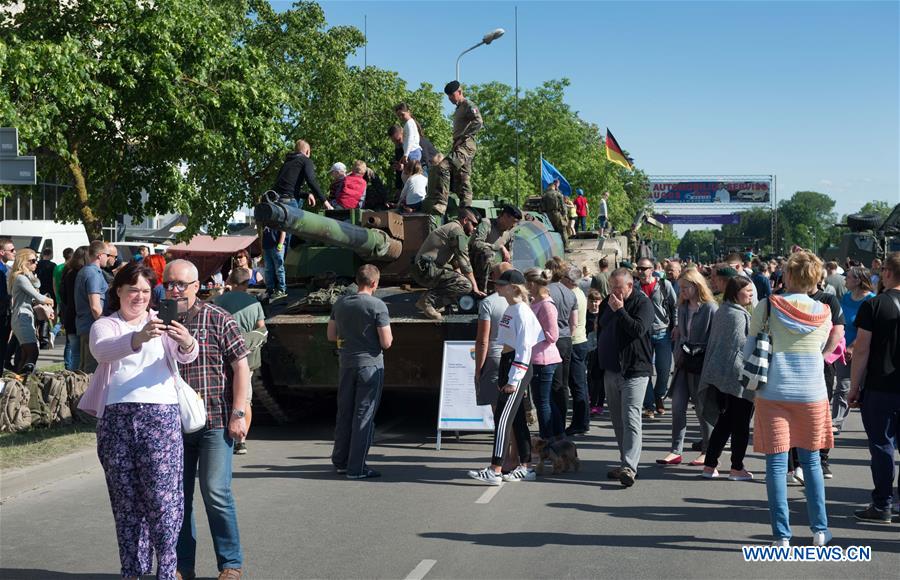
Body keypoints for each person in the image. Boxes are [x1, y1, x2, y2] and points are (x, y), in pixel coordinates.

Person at [89, 262, 198, 580]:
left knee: (164, 501)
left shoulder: (161, 322)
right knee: (126, 503)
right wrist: (138, 337)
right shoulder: (107, 325)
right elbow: (102, 351)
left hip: (160, 417)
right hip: (116, 420)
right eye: (133, 289)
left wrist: (186, 341)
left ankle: (167, 570)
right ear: (118, 291)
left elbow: (186, 356)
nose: (139, 296)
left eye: (146, 291)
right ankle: (133, 571)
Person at [166, 260, 250, 580]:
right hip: (172, 426)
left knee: (215, 492)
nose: (175, 290)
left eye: (181, 285)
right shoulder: (160, 323)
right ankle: (182, 566)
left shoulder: (218, 318)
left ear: (195, 286)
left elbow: (241, 367)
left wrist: (238, 413)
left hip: (215, 420)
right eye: (169, 284)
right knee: (179, 498)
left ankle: (230, 563)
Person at [750, 250, 834, 546]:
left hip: (773, 390)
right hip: (811, 391)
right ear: (814, 281)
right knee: (811, 462)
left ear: (786, 275)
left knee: (775, 465)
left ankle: (781, 536)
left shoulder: (767, 306)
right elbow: (822, 345)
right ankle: (820, 530)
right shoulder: (824, 312)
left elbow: (750, 347)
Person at [467, 269, 541, 484]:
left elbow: (525, 349)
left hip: (515, 368)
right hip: (507, 364)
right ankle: (525, 466)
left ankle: (495, 469)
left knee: (502, 419)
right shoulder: (512, 308)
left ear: (514, 287)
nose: (496, 287)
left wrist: (513, 378)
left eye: (501, 284)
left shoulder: (522, 312)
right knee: (516, 419)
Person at [327, 265, 393, 480]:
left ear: (357, 281)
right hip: (370, 365)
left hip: (346, 363)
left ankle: (341, 461)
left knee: (344, 412)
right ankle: (357, 467)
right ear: (375, 283)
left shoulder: (340, 303)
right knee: (364, 415)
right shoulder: (377, 306)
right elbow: (387, 342)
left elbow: (330, 335)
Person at [849, 252, 900, 524]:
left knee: (882, 446)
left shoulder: (875, 306)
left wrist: (854, 387)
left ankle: (883, 504)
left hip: (881, 386)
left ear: (888, 273)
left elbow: (861, 351)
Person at [596, 268, 654, 487]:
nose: (614, 291)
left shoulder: (642, 303)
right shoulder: (606, 302)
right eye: (611, 287)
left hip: (635, 371)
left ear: (630, 286)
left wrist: (620, 310)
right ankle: (624, 463)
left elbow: (638, 330)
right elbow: (601, 328)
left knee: (631, 417)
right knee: (618, 420)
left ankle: (630, 467)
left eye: (618, 287)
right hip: (611, 370)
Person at [658, 268, 718, 467]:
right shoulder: (682, 308)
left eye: (685, 287)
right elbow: (682, 335)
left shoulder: (710, 308)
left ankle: (708, 451)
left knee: (702, 409)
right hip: (684, 362)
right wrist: (679, 352)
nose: (681, 291)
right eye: (681, 287)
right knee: (677, 405)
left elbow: (714, 339)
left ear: (696, 286)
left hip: (702, 364)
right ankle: (676, 450)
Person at [698, 276, 755, 481]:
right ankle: (736, 468)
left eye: (751, 290)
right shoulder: (738, 315)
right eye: (747, 291)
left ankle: (710, 465)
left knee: (725, 421)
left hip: (722, 376)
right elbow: (742, 348)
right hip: (738, 377)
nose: (750, 294)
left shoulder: (724, 310)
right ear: (734, 292)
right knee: (740, 424)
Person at [215, 267, 267, 456]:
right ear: (246, 284)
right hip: (247, 356)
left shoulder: (218, 301)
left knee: (222, 394)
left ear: (230, 281)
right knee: (245, 398)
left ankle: (221, 434)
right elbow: (262, 329)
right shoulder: (254, 303)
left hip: (221, 354)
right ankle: (241, 441)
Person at [411, 208, 484, 321]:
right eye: (473, 224)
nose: (475, 228)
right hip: (425, 271)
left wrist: (459, 278)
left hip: (426, 269)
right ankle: (427, 301)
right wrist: (474, 288)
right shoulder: (457, 231)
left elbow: (456, 262)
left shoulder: (451, 228)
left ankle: (435, 303)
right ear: (465, 220)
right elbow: (465, 264)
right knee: (466, 285)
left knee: (462, 282)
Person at [833, 266, 875, 434]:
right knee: (842, 387)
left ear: (858, 280)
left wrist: (853, 346)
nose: (845, 280)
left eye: (848, 277)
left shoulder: (871, 300)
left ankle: (872, 425)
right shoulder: (845, 297)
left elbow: (869, 329)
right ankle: (836, 422)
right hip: (843, 350)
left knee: (864, 389)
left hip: (863, 350)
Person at [635, 257, 677, 419]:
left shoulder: (664, 285)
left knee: (664, 370)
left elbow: (675, 306)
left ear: (652, 269)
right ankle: (649, 404)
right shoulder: (635, 287)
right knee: (645, 371)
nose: (640, 272)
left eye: (644, 268)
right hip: (643, 335)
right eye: (638, 269)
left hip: (662, 333)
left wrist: (677, 326)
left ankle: (659, 395)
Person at [524, 268, 563, 441]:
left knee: (542, 402)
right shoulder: (535, 302)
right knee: (545, 401)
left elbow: (553, 335)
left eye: (526, 284)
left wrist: (534, 329)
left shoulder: (547, 305)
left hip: (544, 359)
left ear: (531, 284)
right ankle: (557, 434)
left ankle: (547, 438)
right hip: (538, 358)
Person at [475, 263, 515, 411]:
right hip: (518, 358)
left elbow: (482, 341)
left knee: (497, 407)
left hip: (496, 357)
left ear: (494, 277)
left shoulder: (488, 303)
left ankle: (500, 433)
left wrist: (478, 369)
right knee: (514, 408)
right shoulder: (522, 300)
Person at [545, 258, 577, 440]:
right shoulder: (570, 292)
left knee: (550, 385)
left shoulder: (547, 291)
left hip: (550, 341)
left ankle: (553, 425)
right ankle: (562, 423)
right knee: (563, 385)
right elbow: (574, 323)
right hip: (566, 340)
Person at [8, 248, 55, 374]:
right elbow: (38, 297)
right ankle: (24, 380)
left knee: (24, 354)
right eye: (33, 261)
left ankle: (19, 383)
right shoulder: (21, 278)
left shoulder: (26, 277)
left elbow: (36, 291)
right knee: (33, 351)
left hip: (25, 317)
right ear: (23, 262)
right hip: (22, 318)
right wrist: (50, 301)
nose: (36, 263)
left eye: (36, 260)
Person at [443, 81, 483, 208]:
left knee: (446, 167)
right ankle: (463, 208)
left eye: (452, 95)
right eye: (448, 96)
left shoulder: (468, 105)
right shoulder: (459, 108)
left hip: (466, 145)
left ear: (459, 92)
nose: (450, 98)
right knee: (459, 178)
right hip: (458, 145)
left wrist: (463, 137)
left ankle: (466, 208)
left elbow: (478, 122)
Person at [562, 266, 591, 435]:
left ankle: (581, 422)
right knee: (578, 384)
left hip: (575, 342)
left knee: (578, 385)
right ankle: (581, 421)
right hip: (579, 341)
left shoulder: (573, 295)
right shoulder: (578, 293)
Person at [75, 240, 111, 373]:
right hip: (92, 327)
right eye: (107, 255)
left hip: (85, 326)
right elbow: (95, 307)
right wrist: (105, 324)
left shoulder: (84, 271)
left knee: (84, 369)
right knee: (91, 371)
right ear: (100, 255)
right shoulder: (93, 274)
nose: (108, 258)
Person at [469, 204, 521, 293]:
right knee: (487, 253)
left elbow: (509, 257)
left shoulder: (509, 233)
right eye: (513, 221)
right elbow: (475, 243)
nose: (514, 225)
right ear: (505, 216)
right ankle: (482, 290)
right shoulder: (487, 224)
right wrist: (498, 247)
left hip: (494, 269)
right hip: (475, 264)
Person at [272, 139, 332, 211]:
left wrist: (307, 195)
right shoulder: (305, 160)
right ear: (307, 151)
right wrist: (325, 201)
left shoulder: (287, 162)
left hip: (275, 200)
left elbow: (288, 187)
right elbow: (311, 180)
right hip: (289, 201)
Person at [60, 247, 87, 371]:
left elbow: (63, 295)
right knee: (79, 355)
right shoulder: (82, 274)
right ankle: (75, 383)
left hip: (70, 314)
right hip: (79, 316)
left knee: (74, 352)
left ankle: (71, 380)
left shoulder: (68, 272)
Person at [585, 289, 606, 416]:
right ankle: (591, 400)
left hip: (600, 348)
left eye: (596, 301)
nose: (594, 304)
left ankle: (598, 404)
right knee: (589, 376)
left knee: (600, 378)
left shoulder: (603, 314)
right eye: (592, 301)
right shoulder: (585, 315)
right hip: (588, 348)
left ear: (601, 302)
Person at [421, 151, 451, 231]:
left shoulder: (430, 171)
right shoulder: (442, 172)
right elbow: (443, 189)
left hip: (428, 204)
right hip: (437, 205)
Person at [35, 247, 57, 348]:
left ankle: (38, 336)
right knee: (47, 316)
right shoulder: (53, 265)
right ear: (51, 254)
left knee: (38, 315)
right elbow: (54, 281)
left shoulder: (37, 264)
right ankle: (44, 339)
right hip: (50, 292)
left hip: (39, 290)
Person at [261, 224, 288, 302]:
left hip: (276, 246)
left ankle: (282, 289)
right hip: (267, 247)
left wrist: (280, 245)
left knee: (279, 269)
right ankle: (270, 289)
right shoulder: (265, 220)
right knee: (268, 269)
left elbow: (283, 231)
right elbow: (264, 234)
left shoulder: (278, 218)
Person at [0, 238, 15, 370]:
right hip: (2, 312)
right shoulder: (2, 270)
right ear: (1, 252)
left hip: (6, 312)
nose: (14, 252)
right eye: (11, 250)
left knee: (4, 345)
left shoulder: (7, 268)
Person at [541, 179, 568, 250]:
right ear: (554, 187)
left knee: (551, 231)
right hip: (557, 213)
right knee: (562, 230)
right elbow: (563, 205)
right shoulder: (558, 194)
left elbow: (542, 207)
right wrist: (564, 215)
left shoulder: (544, 195)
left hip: (548, 215)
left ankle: (553, 248)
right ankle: (565, 247)